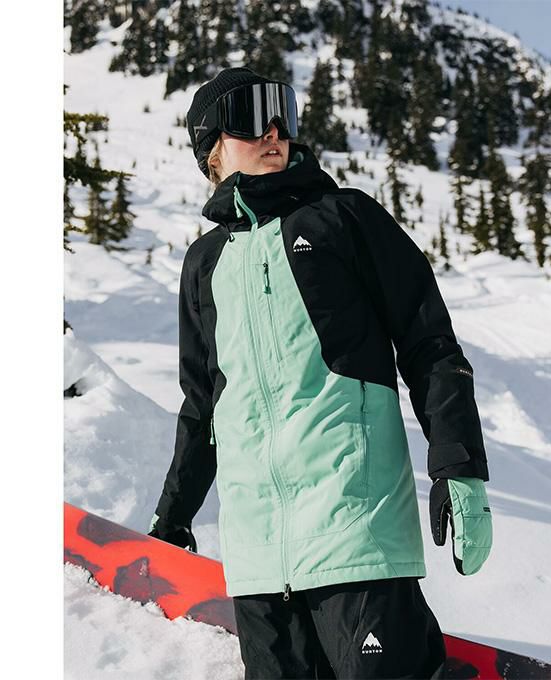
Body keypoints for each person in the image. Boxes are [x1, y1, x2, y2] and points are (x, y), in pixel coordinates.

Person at [148, 66, 493, 679]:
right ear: (211, 147)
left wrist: (458, 466)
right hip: (258, 562)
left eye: (283, 114)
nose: (274, 131)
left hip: (356, 536)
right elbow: (203, 407)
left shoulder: (344, 218)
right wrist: (174, 516)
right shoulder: (205, 264)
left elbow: (430, 345)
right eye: (251, 117)